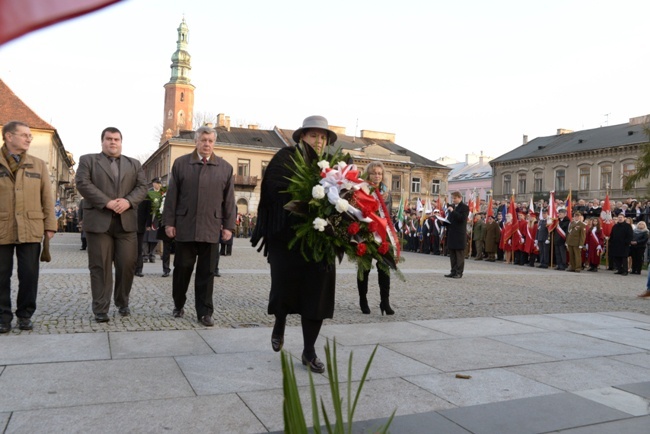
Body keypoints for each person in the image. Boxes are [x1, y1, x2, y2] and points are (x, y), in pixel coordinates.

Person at [251, 115, 339, 374]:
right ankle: (280, 321)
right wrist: (302, 200)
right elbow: (272, 189)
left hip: (320, 240)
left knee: (318, 294)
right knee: (284, 289)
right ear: (302, 136)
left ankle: (309, 351)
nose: (319, 141)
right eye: (314, 135)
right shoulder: (285, 157)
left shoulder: (332, 165)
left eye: (323, 137)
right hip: (285, 237)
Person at [163, 125, 236, 326]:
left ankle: (204, 312)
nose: (207, 144)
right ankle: (178, 303)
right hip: (185, 226)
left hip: (211, 228)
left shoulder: (225, 168)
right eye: (203, 140)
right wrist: (169, 222)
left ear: (214, 142)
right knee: (182, 268)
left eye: (210, 141)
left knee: (207, 272)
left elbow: (229, 201)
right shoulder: (180, 164)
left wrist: (228, 226)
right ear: (196, 141)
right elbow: (172, 197)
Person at [75, 127, 147, 322]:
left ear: (121, 142)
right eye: (108, 139)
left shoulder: (134, 164)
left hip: (126, 222)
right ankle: (101, 308)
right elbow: (82, 183)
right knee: (100, 266)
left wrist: (128, 201)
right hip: (99, 221)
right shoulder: (88, 160)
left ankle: (122, 301)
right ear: (102, 141)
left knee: (127, 264)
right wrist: (107, 202)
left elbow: (142, 187)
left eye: (116, 139)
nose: (112, 142)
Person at [0, 121, 57, 333]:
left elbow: (47, 198)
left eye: (30, 136)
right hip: (2, 226)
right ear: (8, 136)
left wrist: (50, 225)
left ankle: (25, 314)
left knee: (30, 274)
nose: (29, 139)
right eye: (24, 135)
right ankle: (2, 316)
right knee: (1, 275)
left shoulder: (38, 164)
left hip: (31, 227)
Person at [356, 161, 394, 315]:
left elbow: (389, 215)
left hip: (382, 235)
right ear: (369, 174)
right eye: (374, 173)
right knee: (364, 269)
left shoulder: (386, 192)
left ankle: (385, 301)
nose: (377, 176)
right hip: (366, 234)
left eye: (380, 173)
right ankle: (363, 299)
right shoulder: (363, 190)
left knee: (385, 268)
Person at [443, 191, 469, 278]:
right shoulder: (453, 207)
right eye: (453, 198)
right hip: (451, 234)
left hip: (459, 234)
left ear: (460, 198)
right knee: (452, 254)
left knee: (459, 255)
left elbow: (461, 219)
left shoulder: (465, 207)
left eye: (455, 198)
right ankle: (453, 271)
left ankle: (459, 272)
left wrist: (453, 211)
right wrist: (442, 222)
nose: (453, 200)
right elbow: (450, 220)